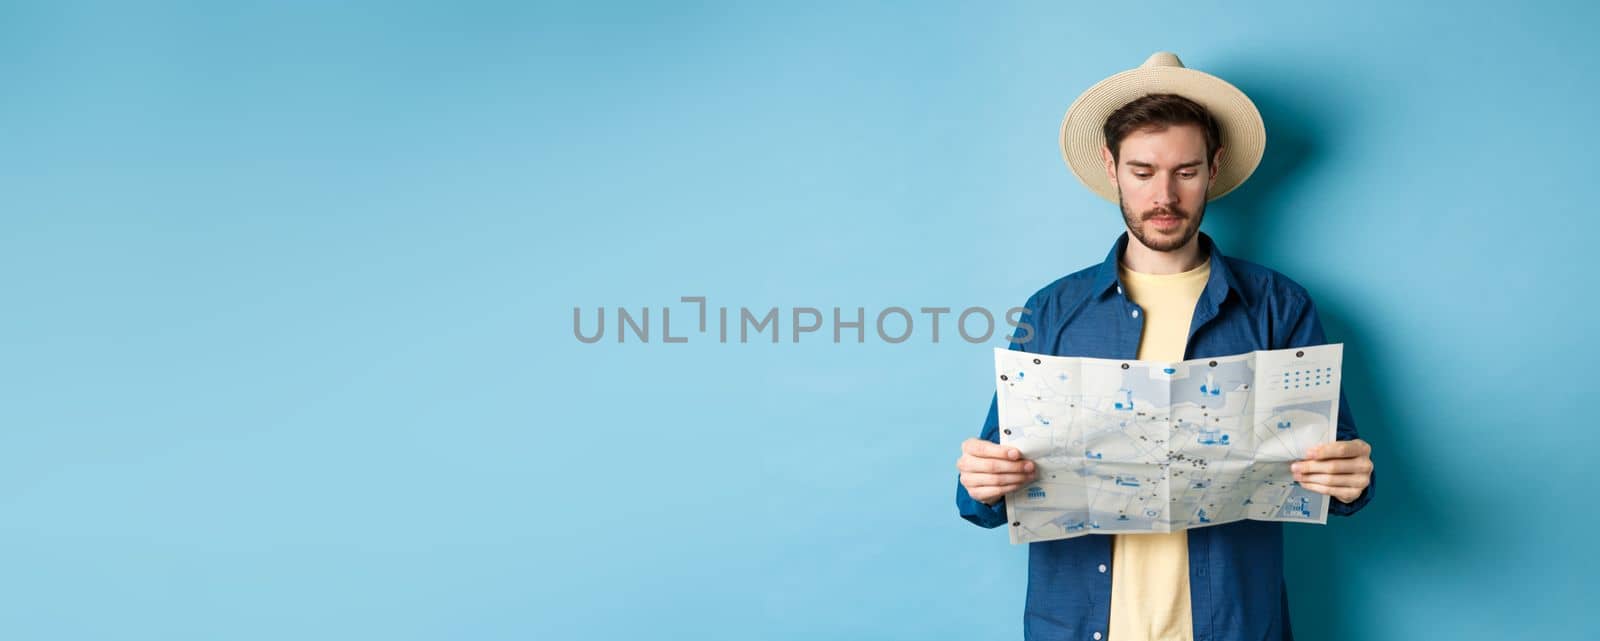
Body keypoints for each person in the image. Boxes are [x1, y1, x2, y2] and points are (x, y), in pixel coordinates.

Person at [953, 52, 1375, 641]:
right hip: (1078, 624)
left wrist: (1351, 475)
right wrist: (980, 480)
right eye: (1143, 171)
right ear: (1112, 167)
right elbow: (981, 498)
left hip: (1233, 624)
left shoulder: (1280, 306)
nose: (1165, 196)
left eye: (1186, 171)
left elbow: (1342, 473)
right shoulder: (1051, 310)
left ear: (1214, 167)